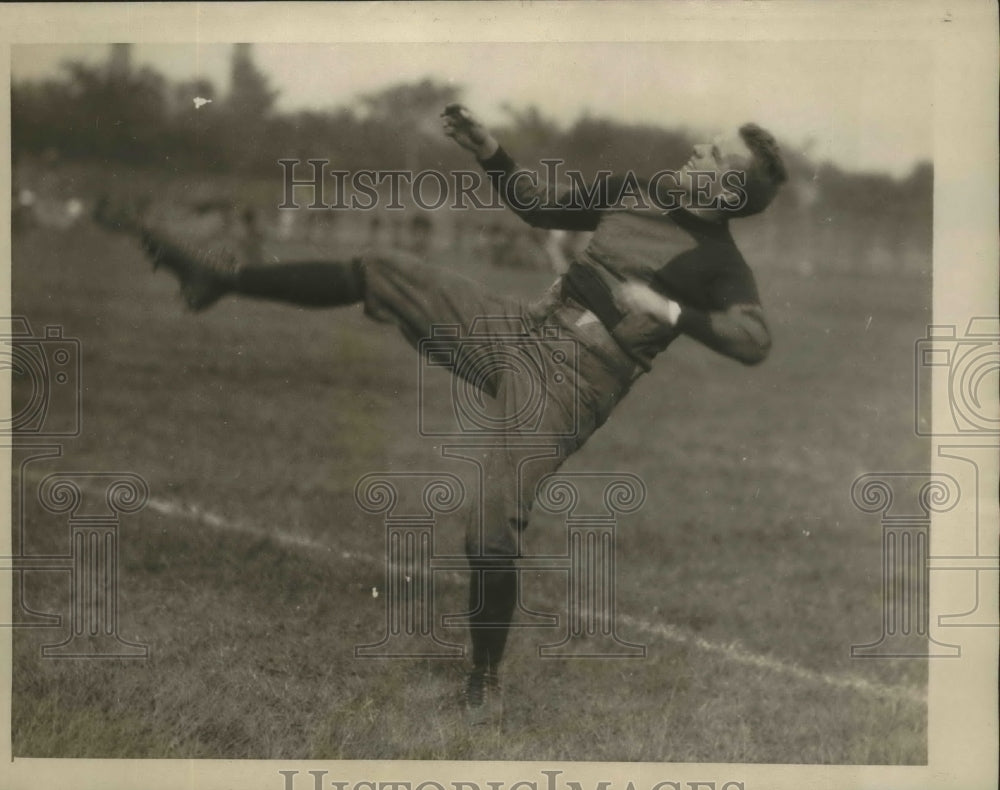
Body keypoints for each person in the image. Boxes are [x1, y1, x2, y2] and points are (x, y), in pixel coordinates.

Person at [95, 103, 787, 724]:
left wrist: (669, 310)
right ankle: (221, 279)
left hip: (572, 382)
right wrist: (491, 151)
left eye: (712, 153)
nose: (696, 148)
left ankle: (484, 679)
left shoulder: (718, 264)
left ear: (727, 189)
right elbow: (537, 207)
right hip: (518, 331)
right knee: (386, 269)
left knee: (490, 518)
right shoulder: (640, 191)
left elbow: (754, 341)